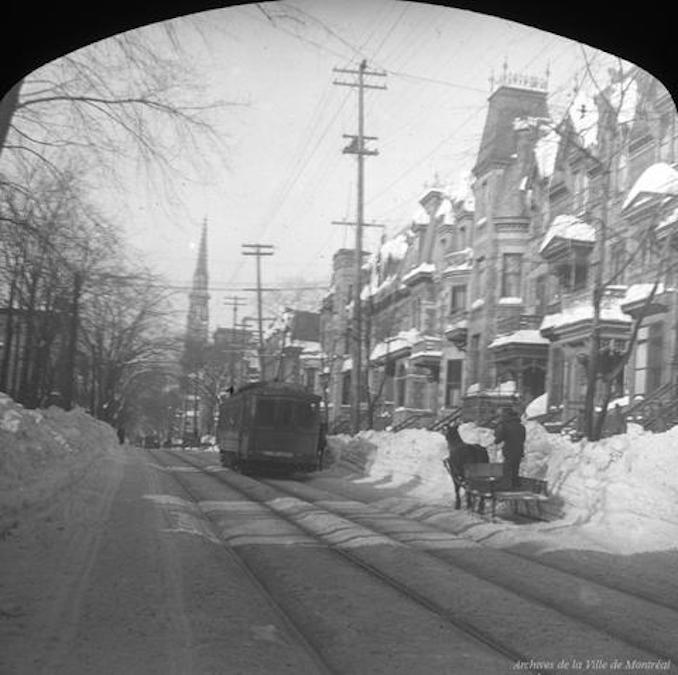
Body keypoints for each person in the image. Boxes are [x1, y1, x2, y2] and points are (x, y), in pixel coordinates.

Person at [494, 406, 526, 489]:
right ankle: (515, 485)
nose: (500, 417)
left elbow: (498, 439)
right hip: (519, 451)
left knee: (507, 469)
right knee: (515, 469)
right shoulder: (521, 426)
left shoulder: (504, 426)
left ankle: (506, 486)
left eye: (501, 415)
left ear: (506, 415)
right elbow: (522, 439)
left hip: (509, 451)